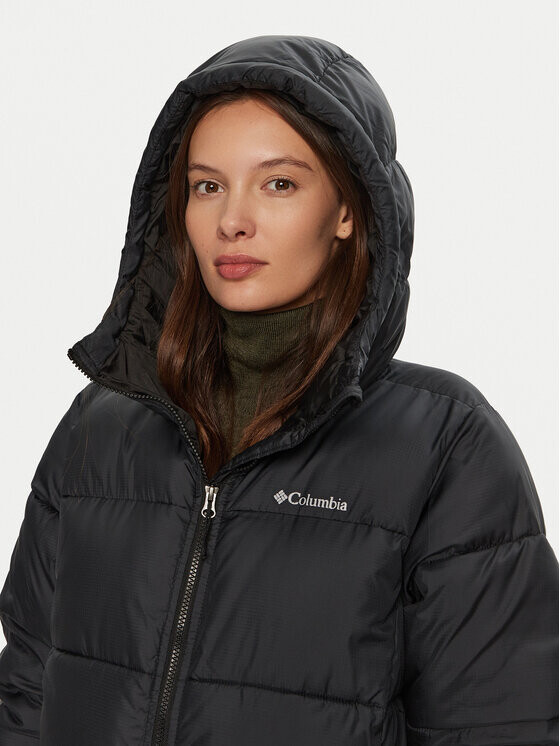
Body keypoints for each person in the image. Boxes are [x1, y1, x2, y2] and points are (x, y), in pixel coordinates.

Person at [0, 34, 557, 746]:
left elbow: (497, 725)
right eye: (207, 185)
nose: (232, 220)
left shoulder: (446, 446)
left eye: (279, 184)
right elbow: (27, 694)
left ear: (349, 209)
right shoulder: (99, 428)